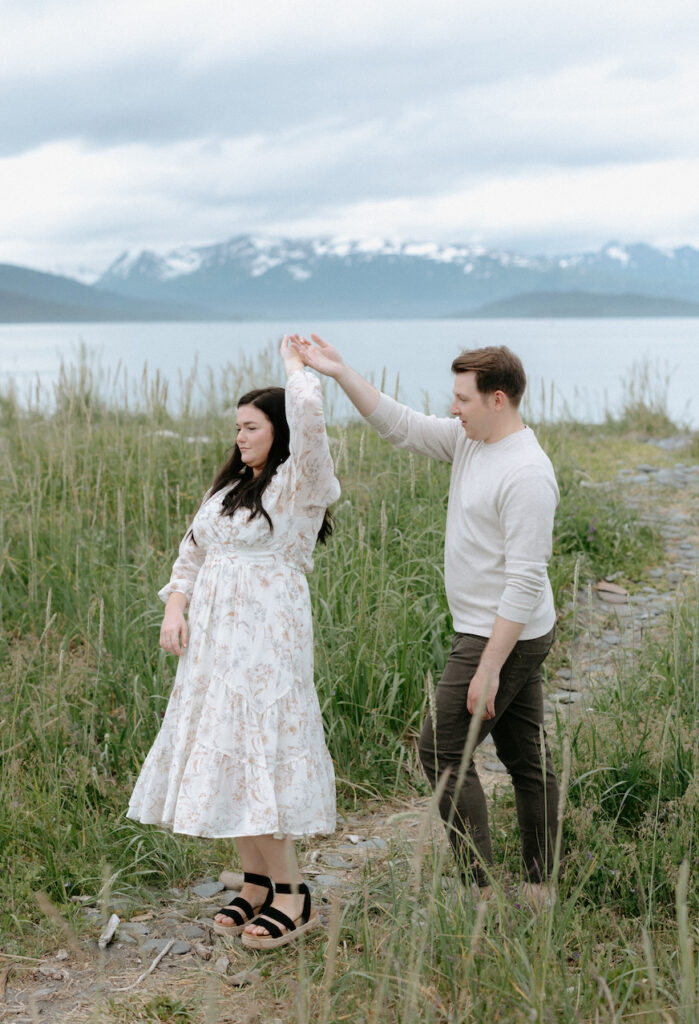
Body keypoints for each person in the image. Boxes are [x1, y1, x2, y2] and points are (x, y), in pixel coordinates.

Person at [291, 334, 560, 905]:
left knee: (441, 751)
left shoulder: (528, 474)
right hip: (497, 629)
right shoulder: (472, 441)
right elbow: (402, 426)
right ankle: (541, 885)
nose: (453, 408)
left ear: (498, 399)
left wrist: (489, 667)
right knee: (526, 760)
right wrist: (340, 372)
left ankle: (482, 891)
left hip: (502, 634)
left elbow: (525, 580)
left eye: (463, 398)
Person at [127, 336, 341, 949]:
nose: (240, 437)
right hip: (214, 649)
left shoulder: (298, 486)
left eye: (251, 426)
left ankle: (294, 895)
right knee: (226, 748)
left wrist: (296, 370)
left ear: (279, 429)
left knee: (261, 754)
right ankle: (254, 883)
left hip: (266, 646)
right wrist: (175, 607)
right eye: (238, 427)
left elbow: (312, 423)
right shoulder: (227, 491)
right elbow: (190, 555)